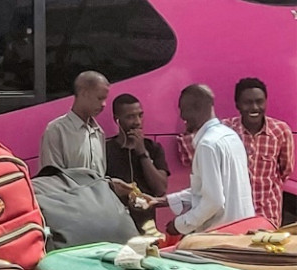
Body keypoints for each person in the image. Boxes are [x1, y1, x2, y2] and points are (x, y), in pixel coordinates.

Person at [145, 84, 254, 235]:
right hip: (242, 231)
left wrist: (179, 225)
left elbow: (213, 201)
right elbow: (209, 190)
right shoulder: (230, 136)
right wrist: (162, 202)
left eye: (183, 109)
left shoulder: (207, 145)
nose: (182, 117)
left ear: (197, 108)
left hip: (220, 237)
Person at [222, 78, 294, 227]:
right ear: (238, 105)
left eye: (259, 101)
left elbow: (285, 171)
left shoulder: (280, 131)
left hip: (267, 216)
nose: (254, 107)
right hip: (234, 216)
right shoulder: (225, 130)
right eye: (247, 102)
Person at [106, 94, 169, 233]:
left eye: (140, 115)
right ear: (117, 120)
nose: (137, 122)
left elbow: (160, 188)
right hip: (115, 227)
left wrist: (142, 153)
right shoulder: (106, 150)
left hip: (146, 228)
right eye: (130, 117)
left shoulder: (153, 148)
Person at [40, 71, 109, 176]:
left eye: (105, 99)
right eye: (99, 98)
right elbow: (51, 179)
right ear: (83, 93)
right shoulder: (57, 130)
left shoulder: (98, 132)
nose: (104, 104)